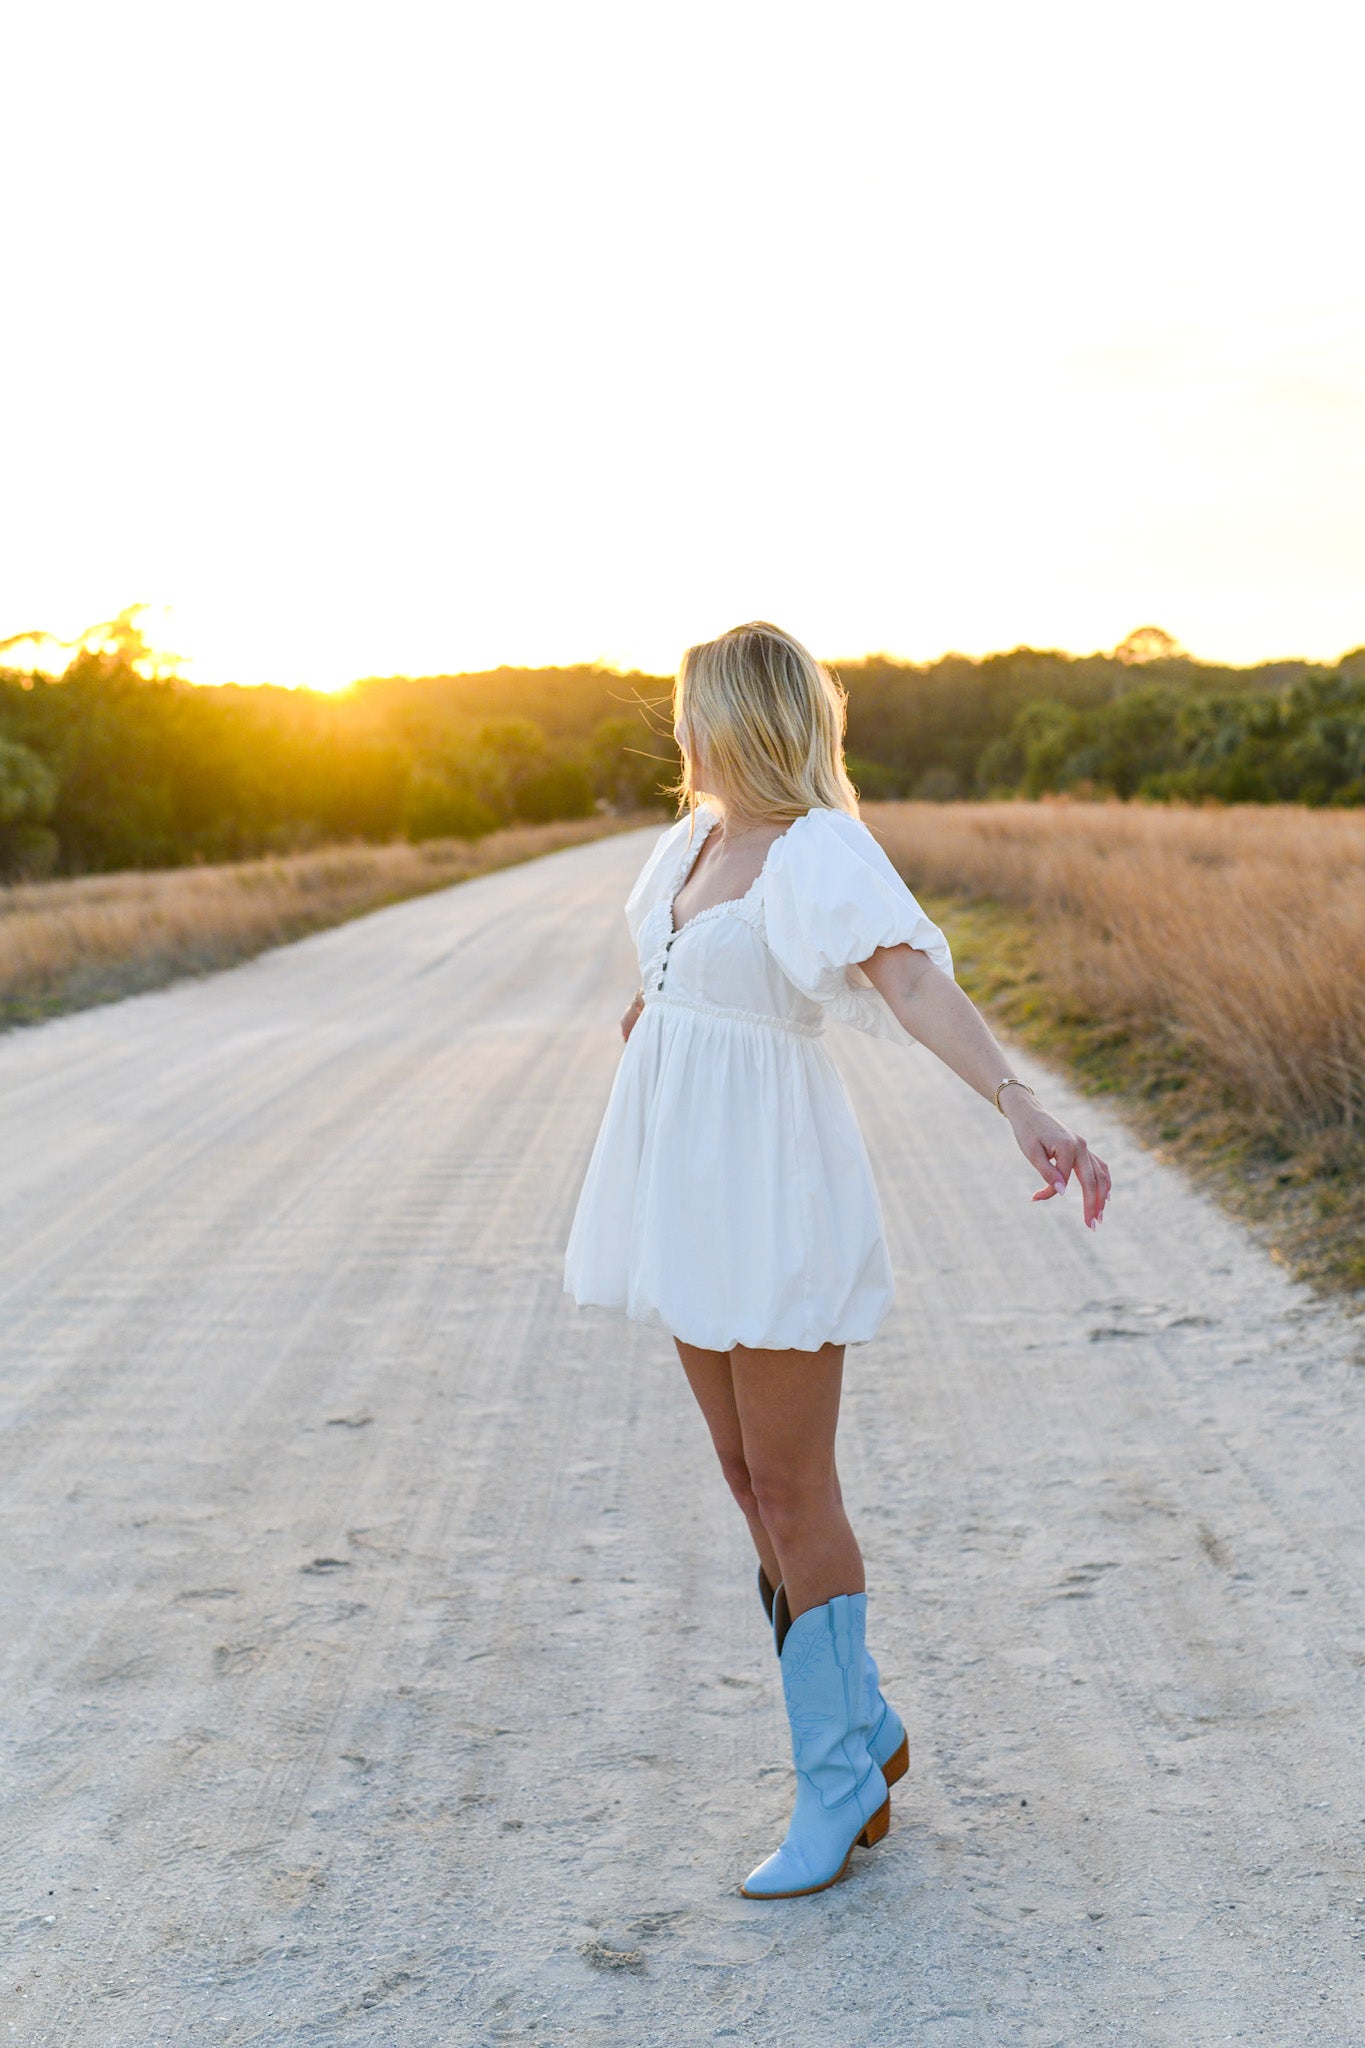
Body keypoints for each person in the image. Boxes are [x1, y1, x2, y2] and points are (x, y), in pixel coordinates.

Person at [562, 621, 1112, 1899]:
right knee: (747, 1474)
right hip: (682, 1182)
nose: (677, 730)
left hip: (766, 1180)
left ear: (736, 718)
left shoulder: (818, 850)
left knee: (796, 1489)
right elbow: (672, 976)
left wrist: (1018, 1101)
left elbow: (913, 984)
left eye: (690, 708)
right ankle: (861, 1727)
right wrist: (656, 1014)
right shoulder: (687, 842)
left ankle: (834, 1781)